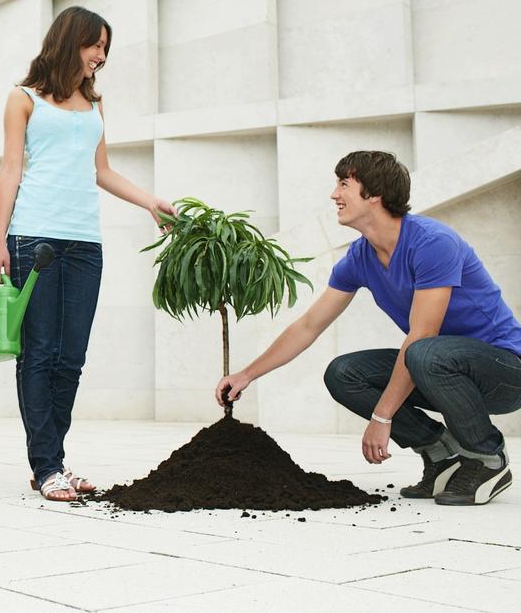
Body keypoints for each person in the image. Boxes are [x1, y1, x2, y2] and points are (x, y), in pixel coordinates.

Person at [215, 151, 521, 505]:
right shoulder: (361, 256)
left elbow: (423, 335)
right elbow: (309, 325)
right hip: (441, 369)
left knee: (423, 351)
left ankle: (487, 458)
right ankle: (442, 454)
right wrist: (247, 375)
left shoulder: (432, 243)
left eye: (344, 184)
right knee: (344, 373)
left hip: (505, 371)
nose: (334, 194)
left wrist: (382, 416)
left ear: (374, 194)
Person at [0, 6, 174, 502]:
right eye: (96, 45)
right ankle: (47, 465)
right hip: (35, 240)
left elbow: (103, 170)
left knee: (71, 358)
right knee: (39, 354)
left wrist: (148, 201)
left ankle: (53, 460)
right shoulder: (23, 98)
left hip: (85, 243)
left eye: (106, 48)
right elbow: (10, 170)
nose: (101, 56)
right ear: (70, 40)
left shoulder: (94, 106)